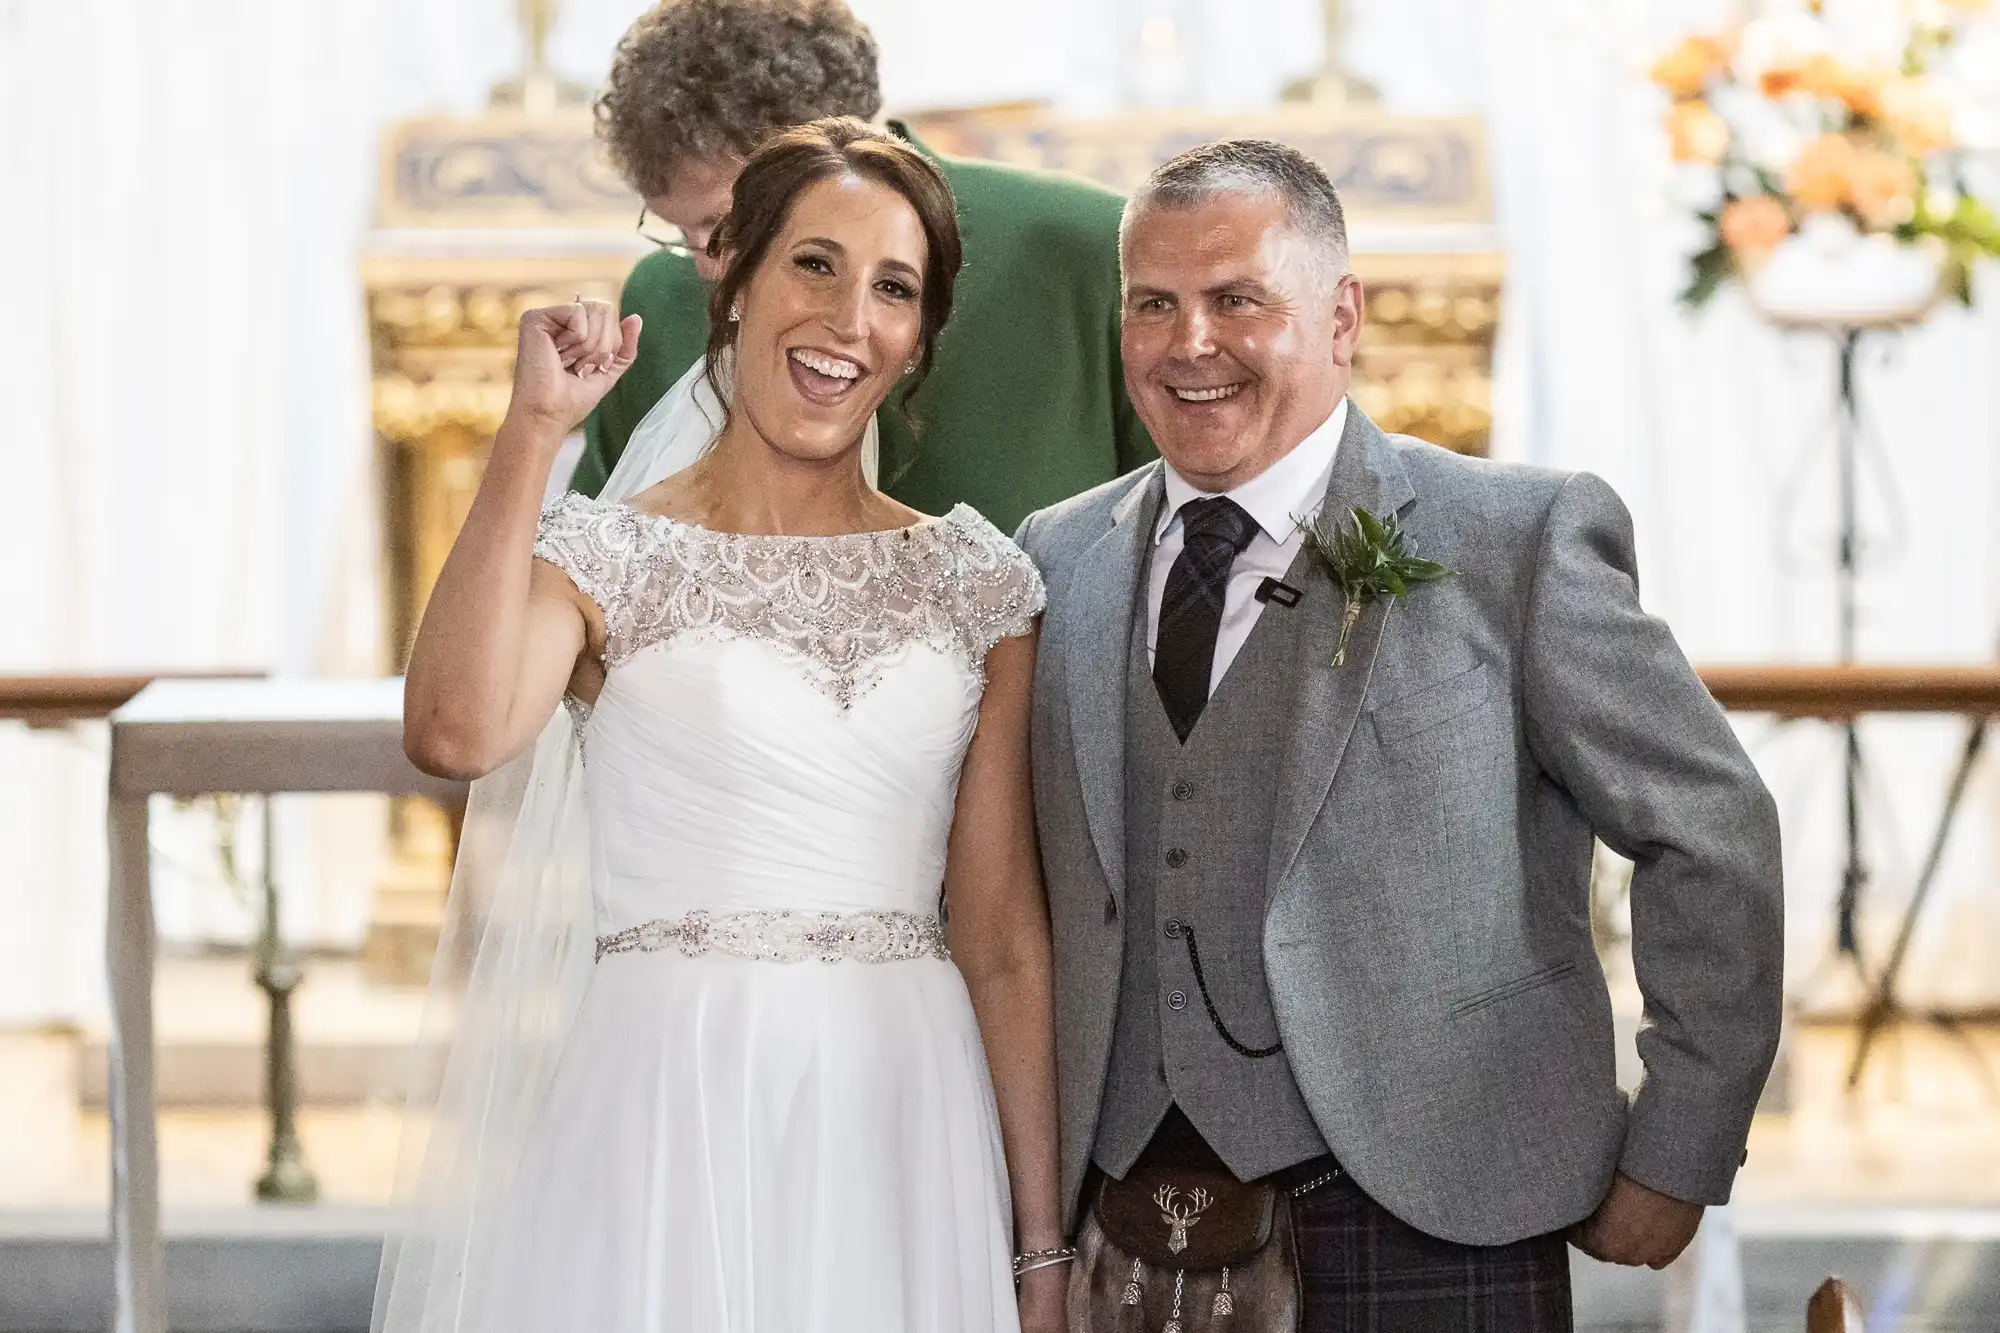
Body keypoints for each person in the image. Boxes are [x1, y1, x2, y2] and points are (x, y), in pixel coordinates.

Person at [1015, 140, 1784, 1331]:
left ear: (1340, 317)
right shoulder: (1053, 556)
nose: (1188, 344)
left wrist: (1678, 1143)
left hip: (1441, 1207)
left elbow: (1711, 832)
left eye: (1236, 301)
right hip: (1122, 1219)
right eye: (1152, 305)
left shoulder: (1514, 539)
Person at [380, 119, 1069, 1333]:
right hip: (668, 1096)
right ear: (734, 275)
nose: (848, 319)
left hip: (904, 1110)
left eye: (893, 289)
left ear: (917, 342)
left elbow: (1002, 933)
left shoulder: (978, 581)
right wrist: (533, 430)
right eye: (813, 264)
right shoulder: (610, 555)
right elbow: (452, 732)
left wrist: (1038, 1243)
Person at [575, 0, 1151, 533]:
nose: (707, 267)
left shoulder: (1099, 250)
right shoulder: (657, 297)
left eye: (725, 226)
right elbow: (585, 570)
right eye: (681, 231)